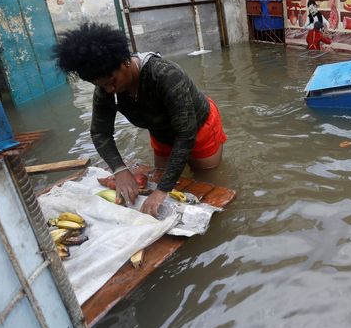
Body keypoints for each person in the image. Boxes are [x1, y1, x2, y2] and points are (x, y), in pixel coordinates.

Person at [54, 22, 227, 216]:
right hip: (160, 131)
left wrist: (162, 190)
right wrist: (120, 170)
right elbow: (100, 133)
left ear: (124, 61)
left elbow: (186, 135)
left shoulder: (165, 75)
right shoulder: (105, 90)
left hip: (198, 126)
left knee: (207, 183)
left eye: (112, 82)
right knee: (161, 177)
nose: (109, 90)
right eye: (101, 86)